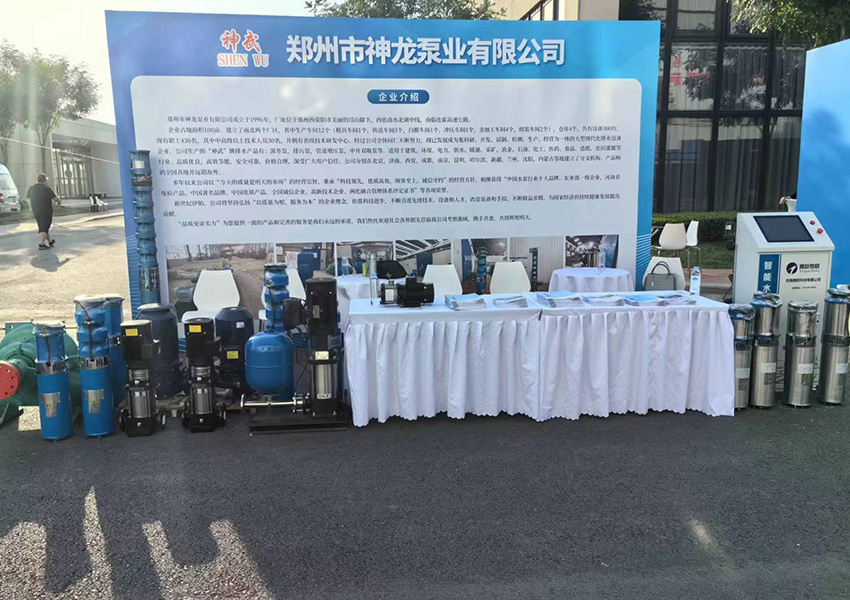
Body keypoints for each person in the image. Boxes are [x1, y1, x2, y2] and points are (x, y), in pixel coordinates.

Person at [26, 173, 57, 250]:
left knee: (43, 226)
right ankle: (41, 244)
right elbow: (55, 198)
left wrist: (30, 208)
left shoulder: (31, 188)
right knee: (44, 227)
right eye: (46, 180)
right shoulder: (46, 189)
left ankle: (50, 242)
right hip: (46, 211)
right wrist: (60, 202)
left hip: (36, 211)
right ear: (44, 180)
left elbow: (28, 199)